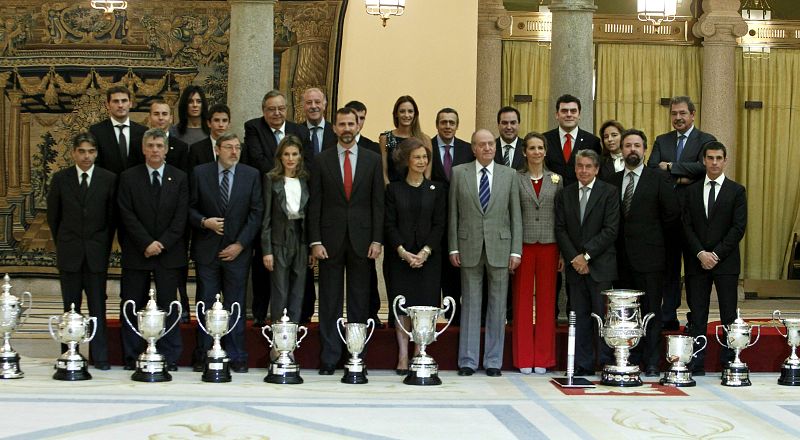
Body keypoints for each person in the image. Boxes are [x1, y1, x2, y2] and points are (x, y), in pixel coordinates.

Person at [308, 107, 384, 375]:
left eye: (351, 124)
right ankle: (329, 357)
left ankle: (356, 355)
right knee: (328, 300)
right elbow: (314, 203)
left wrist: (377, 239)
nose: (347, 129)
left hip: (363, 240)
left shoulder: (373, 160)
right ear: (334, 128)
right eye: (342, 124)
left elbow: (378, 203)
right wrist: (315, 240)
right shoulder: (321, 160)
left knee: (359, 301)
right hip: (329, 240)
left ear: (358, 126)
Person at [449, 129, 522, 377]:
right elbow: (453, 213)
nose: (488, 148)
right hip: (468, 246)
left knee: (498, 306)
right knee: (470, 304)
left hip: (500, 248)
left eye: (491, 144)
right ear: (473, 148)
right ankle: (467, 360)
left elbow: (515, 215)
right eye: (482, 144)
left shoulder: (509, 174)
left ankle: (493, 360)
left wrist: (516, 251)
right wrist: (453, 246)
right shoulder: (460, 173)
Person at [189, 132, 263, 373]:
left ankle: (236, 354)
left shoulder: (250, 175)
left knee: (235, 304)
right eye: (229, 147)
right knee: (206, 303)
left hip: (237, 252)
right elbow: (188, 207)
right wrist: (204, 222)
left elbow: (256, 213)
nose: (234, 152)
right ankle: (203, 353)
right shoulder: (200, 173)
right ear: (217, 150)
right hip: (207, 251)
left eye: (237, 148)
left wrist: (240, 244)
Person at [117, 128, 188, 371]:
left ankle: (169, 355)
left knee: (169, 306)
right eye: (151, 146)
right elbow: (126, 214)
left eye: (159, 145)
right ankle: (132, 355)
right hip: (138, 252)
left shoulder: (179, 178)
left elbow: (181, 217)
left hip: (169, 253)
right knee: (132, 304)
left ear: (166, 149)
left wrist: (162, 243)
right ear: (143, 149)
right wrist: (146, 243)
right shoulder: (128, 177)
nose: (155, 150)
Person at [610, 129, 680, 377]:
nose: (632, 150)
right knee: (624, 314)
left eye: (637, 146)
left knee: (650, 312)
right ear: (621, 150)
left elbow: (671, 217)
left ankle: (651, 361)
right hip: (619, 260)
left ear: (644, 150)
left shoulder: (659, 179)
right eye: (627, 145)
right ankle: (628, 356)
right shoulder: (612, 179)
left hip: (651, 259)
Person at [46, 132, 116, 370]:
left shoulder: (108, 179)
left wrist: (100, 245)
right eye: (82, 151)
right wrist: (66, 243)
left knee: (98, 307)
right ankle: (68, 354)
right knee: (70, 308)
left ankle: (101, 356)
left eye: (91, 151)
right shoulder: (61, 179)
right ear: (74, 153)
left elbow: (111, 219)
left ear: (96, 153)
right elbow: (54, 218)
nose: (86, 156)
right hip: (70, 254)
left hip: (96, 255)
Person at [647, 96, 718, 331]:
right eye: (674, 114)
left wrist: (671, 167)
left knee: (694, 270)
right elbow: (652, 170)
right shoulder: (661, 140)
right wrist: (684, 177)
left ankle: (696, 320)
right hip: (666, 216)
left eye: (682, 113)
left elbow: (703, 167)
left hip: (695, 217)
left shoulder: (705, 140)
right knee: (668, 268)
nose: (678, 118)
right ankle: (668, 315)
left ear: (693, 114)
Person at [683, 141, 747, 376]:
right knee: (697, 314)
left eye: (719, 158)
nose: (714, 162)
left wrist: (716, 254)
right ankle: (696, 362)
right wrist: (701, 253)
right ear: (704, 161)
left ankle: (730, 361)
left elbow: (738, 228)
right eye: (710, 158)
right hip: (696, 262)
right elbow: (686, 226)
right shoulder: (691, 191)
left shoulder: (736, 191)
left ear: (725, 160)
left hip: (726, 263)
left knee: (728, 314)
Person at [384, 137, 446, 374]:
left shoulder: (437, 189)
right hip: (400, 259)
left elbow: (439, 224)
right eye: (417, 157)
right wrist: (402, 251)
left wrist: (425, 252)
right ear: (407, 160)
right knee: (402, 308)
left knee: (424, 307)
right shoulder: (394, 189)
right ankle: (402, 356)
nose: (422, 161)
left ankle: (420, 351)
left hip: (428, 260)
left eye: (425, 157)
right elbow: (389, 224)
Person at [554, 149, 617, 376]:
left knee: (600, 316)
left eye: (588, 166)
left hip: (600, 266)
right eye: (580, 166)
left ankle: (604, 360)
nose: (583, 170)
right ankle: (583, 363)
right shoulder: (565, 194)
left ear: (597, 169)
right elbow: (560, 229)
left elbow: (610, 230)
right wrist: (574, 258)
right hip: (575, 268)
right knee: (579, 316)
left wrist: (586, 256)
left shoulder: (609, 192)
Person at [244, 90, 303, 326]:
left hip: (299, 232)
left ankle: (296, 327)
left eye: (280, 108)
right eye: (271, 109)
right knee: (270, 278)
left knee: (297, 287)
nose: (277, 113)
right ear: (263, 111)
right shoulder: (254, 128)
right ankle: (266, 320)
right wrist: (282, 172)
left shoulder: (298, 131)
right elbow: (258, 161)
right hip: (271, 214)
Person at [512, 132, 563, 375]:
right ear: (524, 152)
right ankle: (523, 357)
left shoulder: (556, 179)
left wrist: (563, 251)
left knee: (546, 300)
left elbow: (561, 216)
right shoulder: (516, 178)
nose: (536, 152)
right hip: (523, 244)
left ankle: (542, 356)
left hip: (550, 244)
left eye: (540, 147)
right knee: (522, 301)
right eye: (531, 148)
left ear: (545, 151)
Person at [430, 107, 474, 325]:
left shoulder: (468, 150)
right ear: (437, 124)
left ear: (457, 125)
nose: (447, 126)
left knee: (454, 276)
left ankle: (454, 322)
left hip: (461, 222)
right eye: (443, 122)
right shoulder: (425, 147)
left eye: (451, 122)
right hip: (432, 220)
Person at [149, 99, 191, 323]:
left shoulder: (181, 148)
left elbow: (183, 189)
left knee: (175, 273)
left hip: (174, 228)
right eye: (157, 114)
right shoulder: (143, 144)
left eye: (165, 114)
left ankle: (182, 306)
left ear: (171, 118)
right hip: (147, 225)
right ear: (150, 117)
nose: (161, 118)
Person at [261, 135, 310, 324]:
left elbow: (310, 214)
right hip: (279, 239)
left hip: (301, 238)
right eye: (286, 154)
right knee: (280, 291)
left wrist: (311, 245)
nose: (290, 158)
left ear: (300, 157)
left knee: (298, 291)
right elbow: (266, 217)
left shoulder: (305, 180)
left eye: (294, 154)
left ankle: (292, 339)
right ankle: (277, 342)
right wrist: (267, 250)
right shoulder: (271, 180)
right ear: (280, 157)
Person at [345, 99, 383, 328]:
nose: (357, 123)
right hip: (338, 229)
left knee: (365, 278)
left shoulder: (371, 149)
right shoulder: (333, 147)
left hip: (363, 229)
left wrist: (375, 236)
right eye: (353, 118)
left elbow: (377, 197)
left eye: (361, 118)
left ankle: (370, 314)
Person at [543, 94, 602, 187]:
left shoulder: (593, 141)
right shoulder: (544, 140)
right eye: (564, 111)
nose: (569, 114)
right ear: (557, 115)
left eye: (573, 111)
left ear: (579, 115)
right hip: (551, 196)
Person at [90, 85, 146, 175]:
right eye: (116, 101)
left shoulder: (142, 131)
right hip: (108, 185)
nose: (120, 105)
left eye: (124, 101)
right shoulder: (96, 131)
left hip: (135, 186)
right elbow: (94, 162)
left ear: (130, 103)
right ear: (107, 105)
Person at [379, 95, 431, 184]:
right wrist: (390, 191)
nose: (406, 115)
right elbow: (384, 172)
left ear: (415, 114)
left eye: (410, 111)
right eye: (402, 111)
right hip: (392, 192)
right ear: (396, 114)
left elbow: (427, 174)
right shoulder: (385, 138)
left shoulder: (425, 139)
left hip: (418, 192)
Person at [187, 104, 231, 172]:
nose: (221, 125)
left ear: (229, 124)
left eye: (224, 121)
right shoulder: (196, 149)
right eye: (216, 120)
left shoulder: (238, 149)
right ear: (209, 123)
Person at [298, 88, 337, 162]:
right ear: (303, 107)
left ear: (324, 105)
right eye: (309, 103)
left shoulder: (335, 132)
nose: (313, 106)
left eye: (317, 102)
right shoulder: (296, 132)